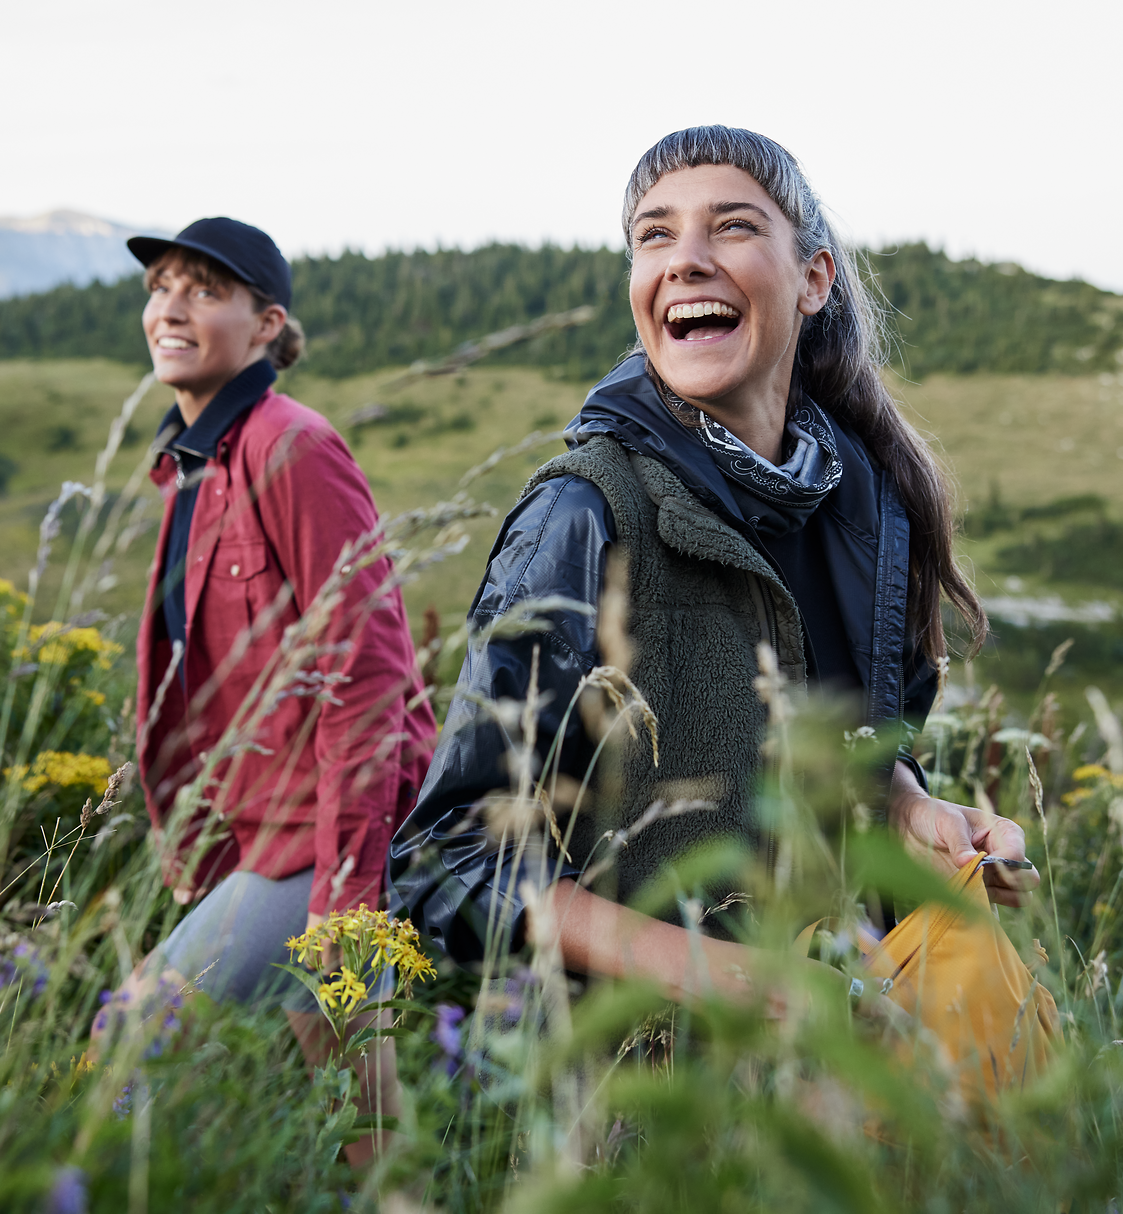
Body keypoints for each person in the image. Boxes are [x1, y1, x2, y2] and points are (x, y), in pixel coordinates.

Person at [390, 127, 1037, 1008]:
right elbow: (452, 864)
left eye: (730, 226)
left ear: (814, 280)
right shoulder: (581, 516)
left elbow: (825, 751)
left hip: (854, 1061)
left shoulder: (867, 510)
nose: (685, 260)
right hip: (638, 1097)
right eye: (655, 234)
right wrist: (721, 975)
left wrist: (912, 813)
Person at [120, 217, 432, 1159]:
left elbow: (369, 673)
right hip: (272, 825)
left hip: (321, 835)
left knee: (130, 1035)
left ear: (266, 326)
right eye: (161, 286)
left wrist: (344, 891)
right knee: (362, 1112)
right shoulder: (194, 464)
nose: (171, 305)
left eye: (204, 290)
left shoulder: (291, 446)